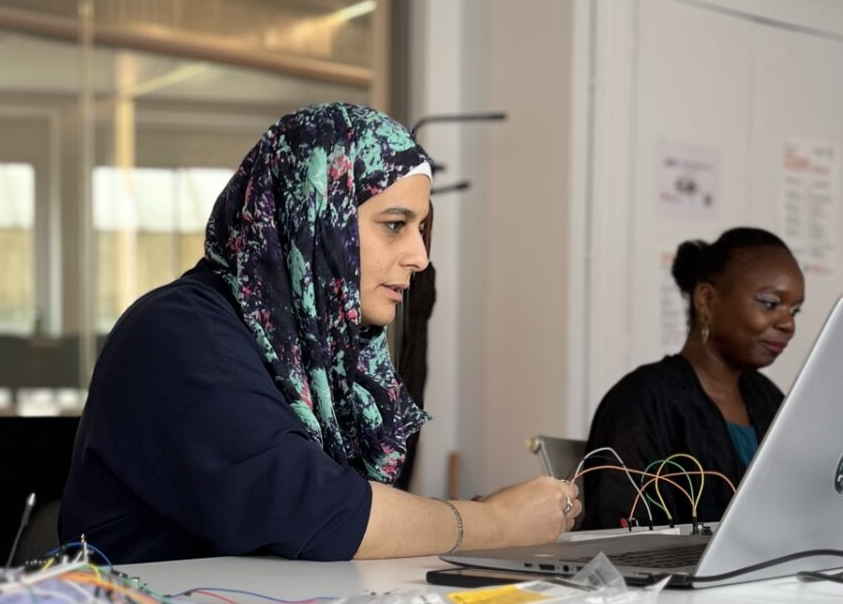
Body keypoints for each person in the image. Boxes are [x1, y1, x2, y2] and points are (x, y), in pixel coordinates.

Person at [60, 103, 578, 563]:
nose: (420, 256)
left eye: (421, 228)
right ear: (312, 219)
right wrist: (498, 524)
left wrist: (477, 517)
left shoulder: (310, 350)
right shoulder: (178, 334)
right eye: (395, 224)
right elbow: (322, 516)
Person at [581, 228, 804, 529]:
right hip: (673, 576)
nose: (788, 323)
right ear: (707, 299)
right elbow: (619, 534)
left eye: (795, 310)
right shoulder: (643, 399)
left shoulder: (769, 400)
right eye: (769, 303)